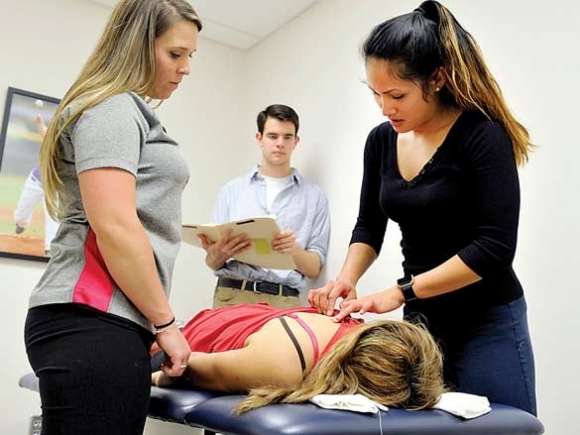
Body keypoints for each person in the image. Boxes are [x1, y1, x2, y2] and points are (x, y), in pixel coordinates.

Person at [308, 0, 537, 416]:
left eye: (397, 95)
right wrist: (346, 279)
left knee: (507, 427)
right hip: (423, 323)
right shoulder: (381, 140)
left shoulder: (482, 134)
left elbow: (494, 248)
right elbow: (368, 225)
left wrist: (400, 292)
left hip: (488, 318)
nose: (384, 108)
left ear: (437, 80)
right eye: (376, 94)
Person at [23, 1, 202, 434]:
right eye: (175, 54)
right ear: (138, 46)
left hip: (102, 321)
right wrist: (167, 325)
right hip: (93, 317)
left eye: (190, 57)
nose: (186, 69)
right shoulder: (113, 109)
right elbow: (116, 226)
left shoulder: (123, 111)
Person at [150, 303, 447, 414]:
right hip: (175, 345)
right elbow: (181, 367)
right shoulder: (283, 366)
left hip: (207, 323)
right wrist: (146, 378)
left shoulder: (352, 327)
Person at [200, 104, 331, 308]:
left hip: (284, 300)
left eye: (287, 137)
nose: (280, 143)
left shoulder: (314, 196)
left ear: (296, 141)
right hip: (233, 295)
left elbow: (314, 268)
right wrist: (219, 253)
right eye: (272, 136)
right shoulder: (231, 191)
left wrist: (293, 250)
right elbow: (211, 262)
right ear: (259, 138)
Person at [14, 116, 59, 256]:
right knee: (21, 214)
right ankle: (22, 223)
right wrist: (39, 123)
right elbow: (44, 133)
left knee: (53, 217)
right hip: (36, 181)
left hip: (54, 188)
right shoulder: (55, 140)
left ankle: (49, 248)